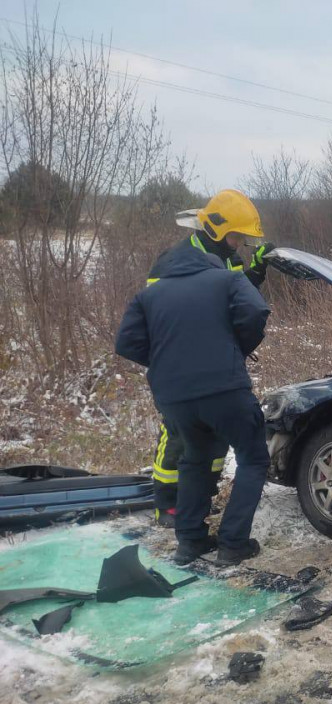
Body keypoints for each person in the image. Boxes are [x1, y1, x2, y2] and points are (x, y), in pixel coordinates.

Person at [115, 192, 272, 567]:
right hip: (222, 387)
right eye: (235, 240)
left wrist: (169, 363)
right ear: (215, 242)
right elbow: (254, 311)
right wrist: (235, 349)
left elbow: (127, 341)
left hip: (173, 394)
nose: (238, 249)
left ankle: (190, 543)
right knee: (253, 458)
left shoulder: (155, 287)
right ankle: (233, 544)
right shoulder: (224, 278)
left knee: (196, 457)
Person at [147, 190, 274, 528]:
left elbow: (236, 298)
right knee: (177, 435)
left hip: (215, 366)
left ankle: (197, 504)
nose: (239, 244)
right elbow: (158, 313)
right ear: (216, 230)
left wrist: (257, 271)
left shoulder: (226, 258)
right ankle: (166, 504)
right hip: (179, 363)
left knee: (212, 440)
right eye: (236, 236)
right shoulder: (173, 262)